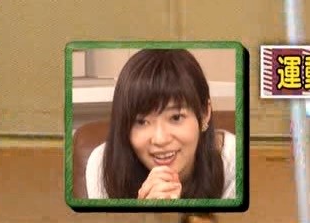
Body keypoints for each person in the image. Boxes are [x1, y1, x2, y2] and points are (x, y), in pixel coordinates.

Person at [85, 48, 237, 200]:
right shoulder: (103, 166)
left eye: (176, 117)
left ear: (205, 114)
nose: (160, 139)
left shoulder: (235, 161)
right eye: (142, 122)